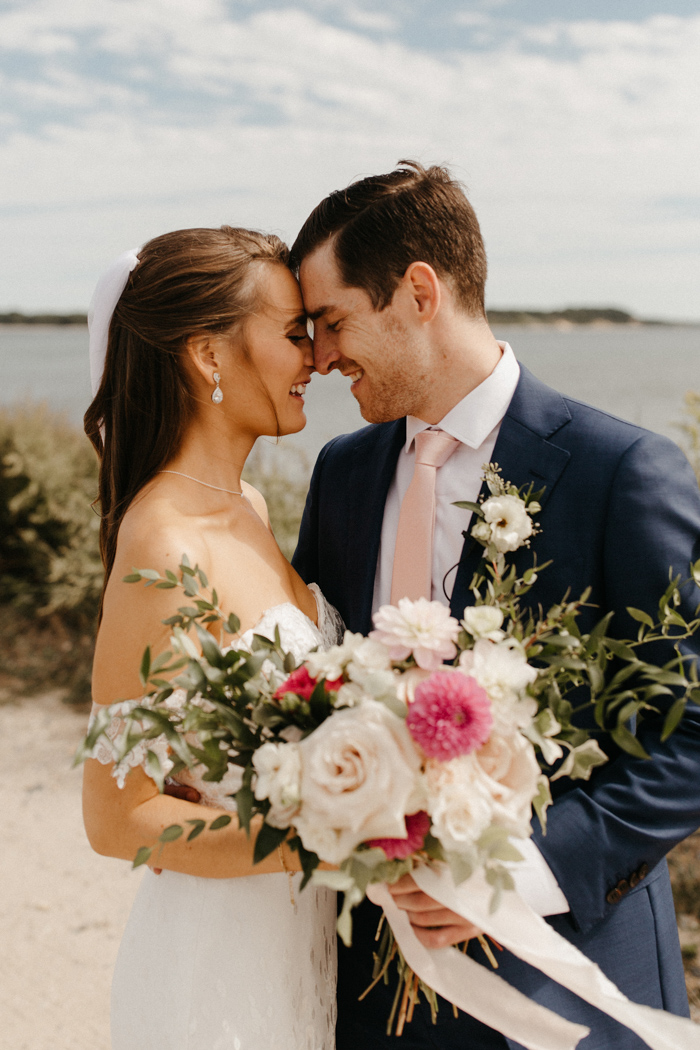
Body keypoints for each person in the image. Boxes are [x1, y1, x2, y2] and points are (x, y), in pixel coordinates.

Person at [290, 160, 700, 1049]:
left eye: (331, 320)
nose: (318, 358)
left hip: (571, 978)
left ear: (419, 292)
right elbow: (314, 690)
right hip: (377, 986)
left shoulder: (621, 472)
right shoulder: (343, 475)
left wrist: (516, 876)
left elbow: (691, 736)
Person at [82, 226, 343, 1050]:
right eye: (294, 332)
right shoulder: (164, 544)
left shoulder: (253, 511)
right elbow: (117, 817)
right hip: (220, 969)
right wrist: (329, 835)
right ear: (207, 355)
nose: (316, 357)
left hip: (298, 936)